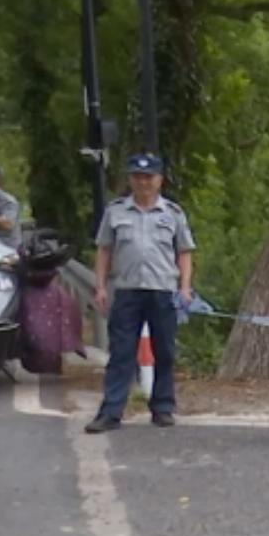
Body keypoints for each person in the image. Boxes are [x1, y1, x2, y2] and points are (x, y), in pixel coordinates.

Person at [84, 153, 196, 433]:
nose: (143, 182)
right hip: (127, 290)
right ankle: (111, 411)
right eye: (137, 176)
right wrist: (99, 286)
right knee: (121, 352)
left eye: (148, 177)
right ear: (130, 179)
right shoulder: (116, 211)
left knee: (165, 352)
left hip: (162, 291)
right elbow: (104, 250)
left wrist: (184, 287)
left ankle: (163, 407)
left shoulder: (173, 213)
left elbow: (184, 252)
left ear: (159, 180)